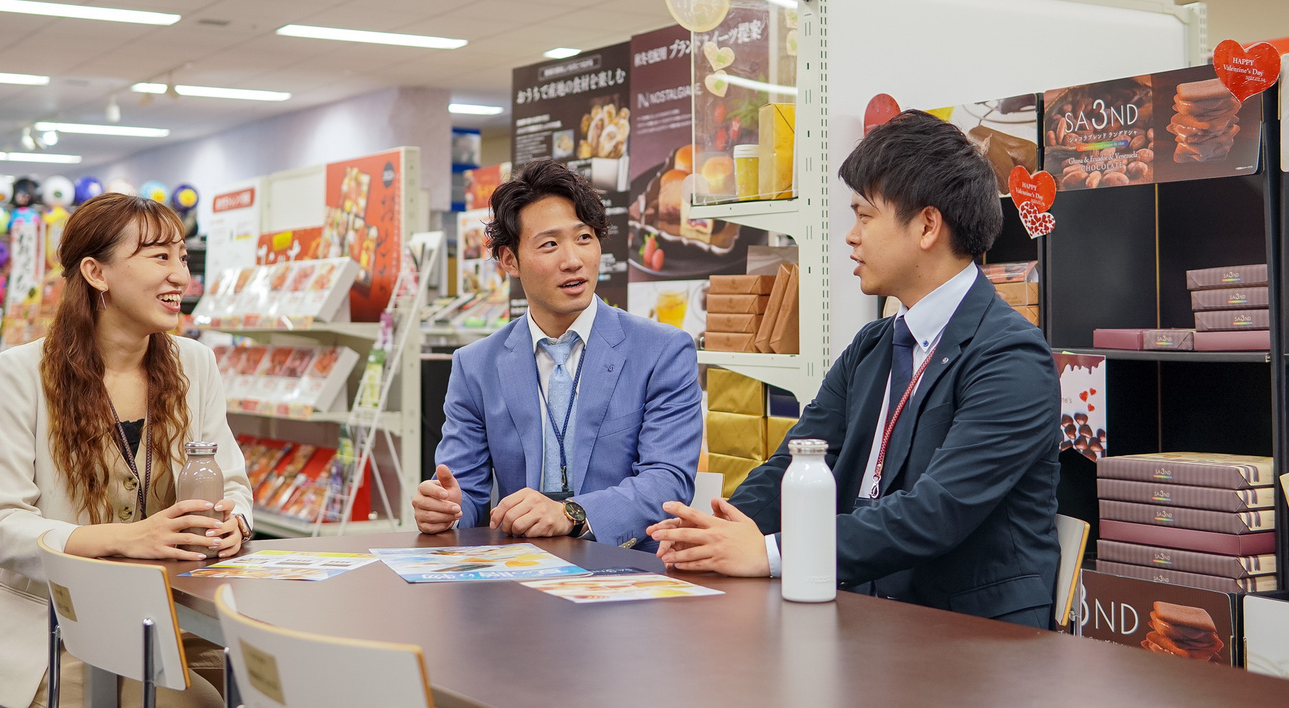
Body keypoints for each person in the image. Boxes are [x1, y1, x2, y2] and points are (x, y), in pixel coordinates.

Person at [648, 111, 1062, 628]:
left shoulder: (1011, 358)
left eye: (865, 217)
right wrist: (715, 532)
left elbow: (937, 511)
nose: (851, 236)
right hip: (865, 616)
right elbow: (794, 462)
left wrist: (771, 553)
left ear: (927, 225)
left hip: (971, 639)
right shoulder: (874, 345)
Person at [0, 194, 254, 708]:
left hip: (169, 620)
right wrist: (128, 538)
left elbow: (231, 482)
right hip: (54, 634)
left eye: (182, 258)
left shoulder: (195, 364)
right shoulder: (22, 372)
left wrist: (236, 520)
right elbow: (0, 527)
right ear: (96, 272)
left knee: (272, 681)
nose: (181, 277)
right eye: (159, 257)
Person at [414, 160, 701, 548]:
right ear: (509, 260)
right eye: (549, 244)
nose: (573, 260)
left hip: (627, 570)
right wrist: (446, 507)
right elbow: (467, 493)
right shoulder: (475, 365)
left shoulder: (662, 351)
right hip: (518, 572)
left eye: (584, 238)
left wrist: (572, 514)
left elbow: (667, 481)